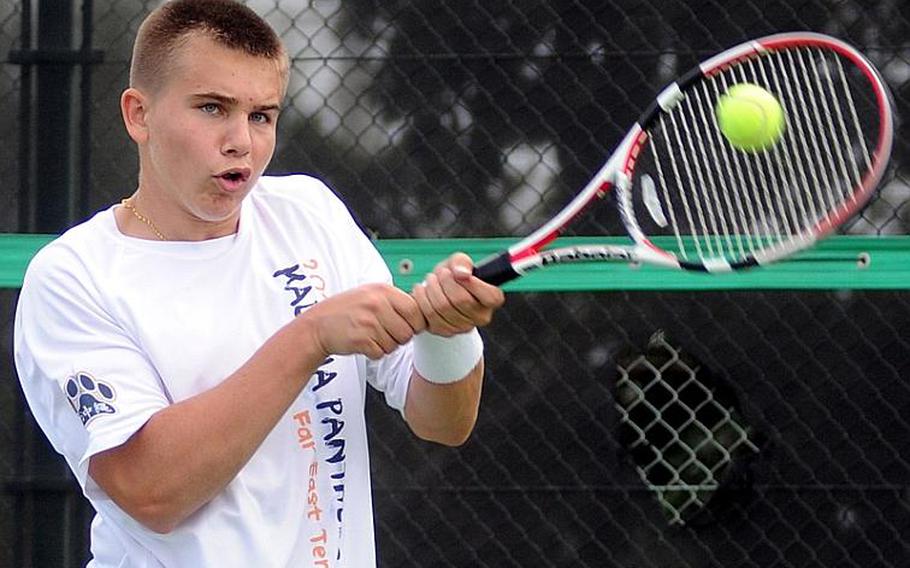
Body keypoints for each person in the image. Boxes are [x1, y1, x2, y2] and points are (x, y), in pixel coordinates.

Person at [12, 0, 504, 566]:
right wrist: (310, 336)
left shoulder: (309, 211)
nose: (241, 141)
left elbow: (444, 422)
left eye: (261, 115)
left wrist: (446, 335)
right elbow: (152, 491)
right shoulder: (72, 278)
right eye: (212, 108)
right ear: (138, 115)